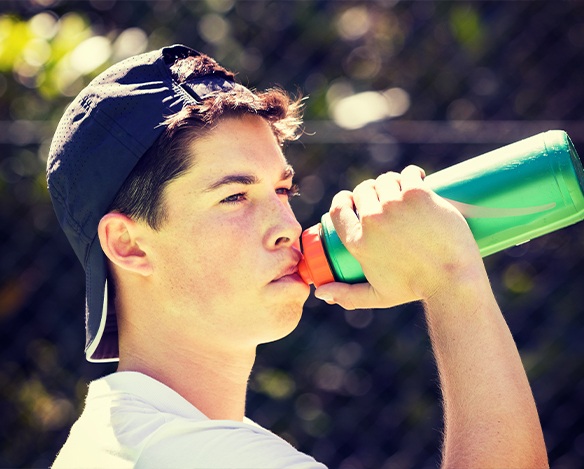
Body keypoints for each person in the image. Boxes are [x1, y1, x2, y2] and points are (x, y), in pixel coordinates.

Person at [47, 44, 548, 468]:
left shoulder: (131, 440)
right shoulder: (197, 453)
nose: (288, 228)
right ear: (129, 245)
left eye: (283, 191)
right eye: (234, 197)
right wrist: (451, 279)